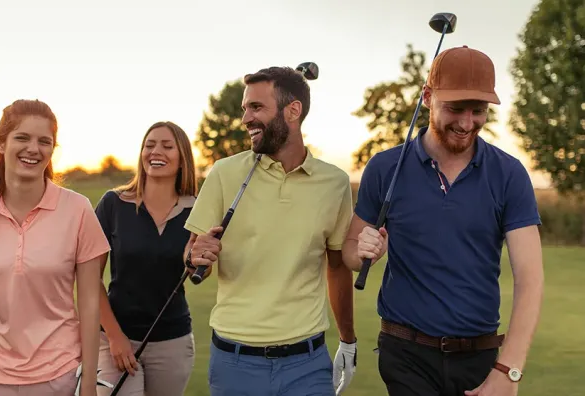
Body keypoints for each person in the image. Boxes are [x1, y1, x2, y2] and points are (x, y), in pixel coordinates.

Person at [342, 45, 544, 396]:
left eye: (478, 111)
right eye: (455, 109)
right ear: (427, 97)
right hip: (406, 354)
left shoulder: (509, 174)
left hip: (480, 357)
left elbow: (531, 279)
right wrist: (363, 251)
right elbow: (347, 252)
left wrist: (508, 370)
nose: (467, 124)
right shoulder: (384, 168)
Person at [184, 66, 357, 396]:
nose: (246, 118)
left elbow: (337, 267)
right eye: (245, 109)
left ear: (294, 111)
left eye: (256, 108)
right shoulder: (224, 173)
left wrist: (348, 339)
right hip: (235, 364)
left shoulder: (334, 183)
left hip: (307, 364)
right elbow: (192, 258)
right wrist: (195, 257)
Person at [0, 99, 109, 396]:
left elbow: (90, 304)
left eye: (45, 141)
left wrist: (90, 384)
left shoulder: (78, 209)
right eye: (22, 137)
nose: (34, 148)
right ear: (0, 143)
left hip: (59, 376)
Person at [93, 121, 198, 396]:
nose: (156, 151)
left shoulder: (197, 210)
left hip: (172, 344)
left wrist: (196, 261)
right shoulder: (113, 204)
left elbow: (201, 269)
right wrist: (115, 338)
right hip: (115, 339)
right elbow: (89, 279)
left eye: (166, 146)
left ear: (182, 157)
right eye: (149, 145)